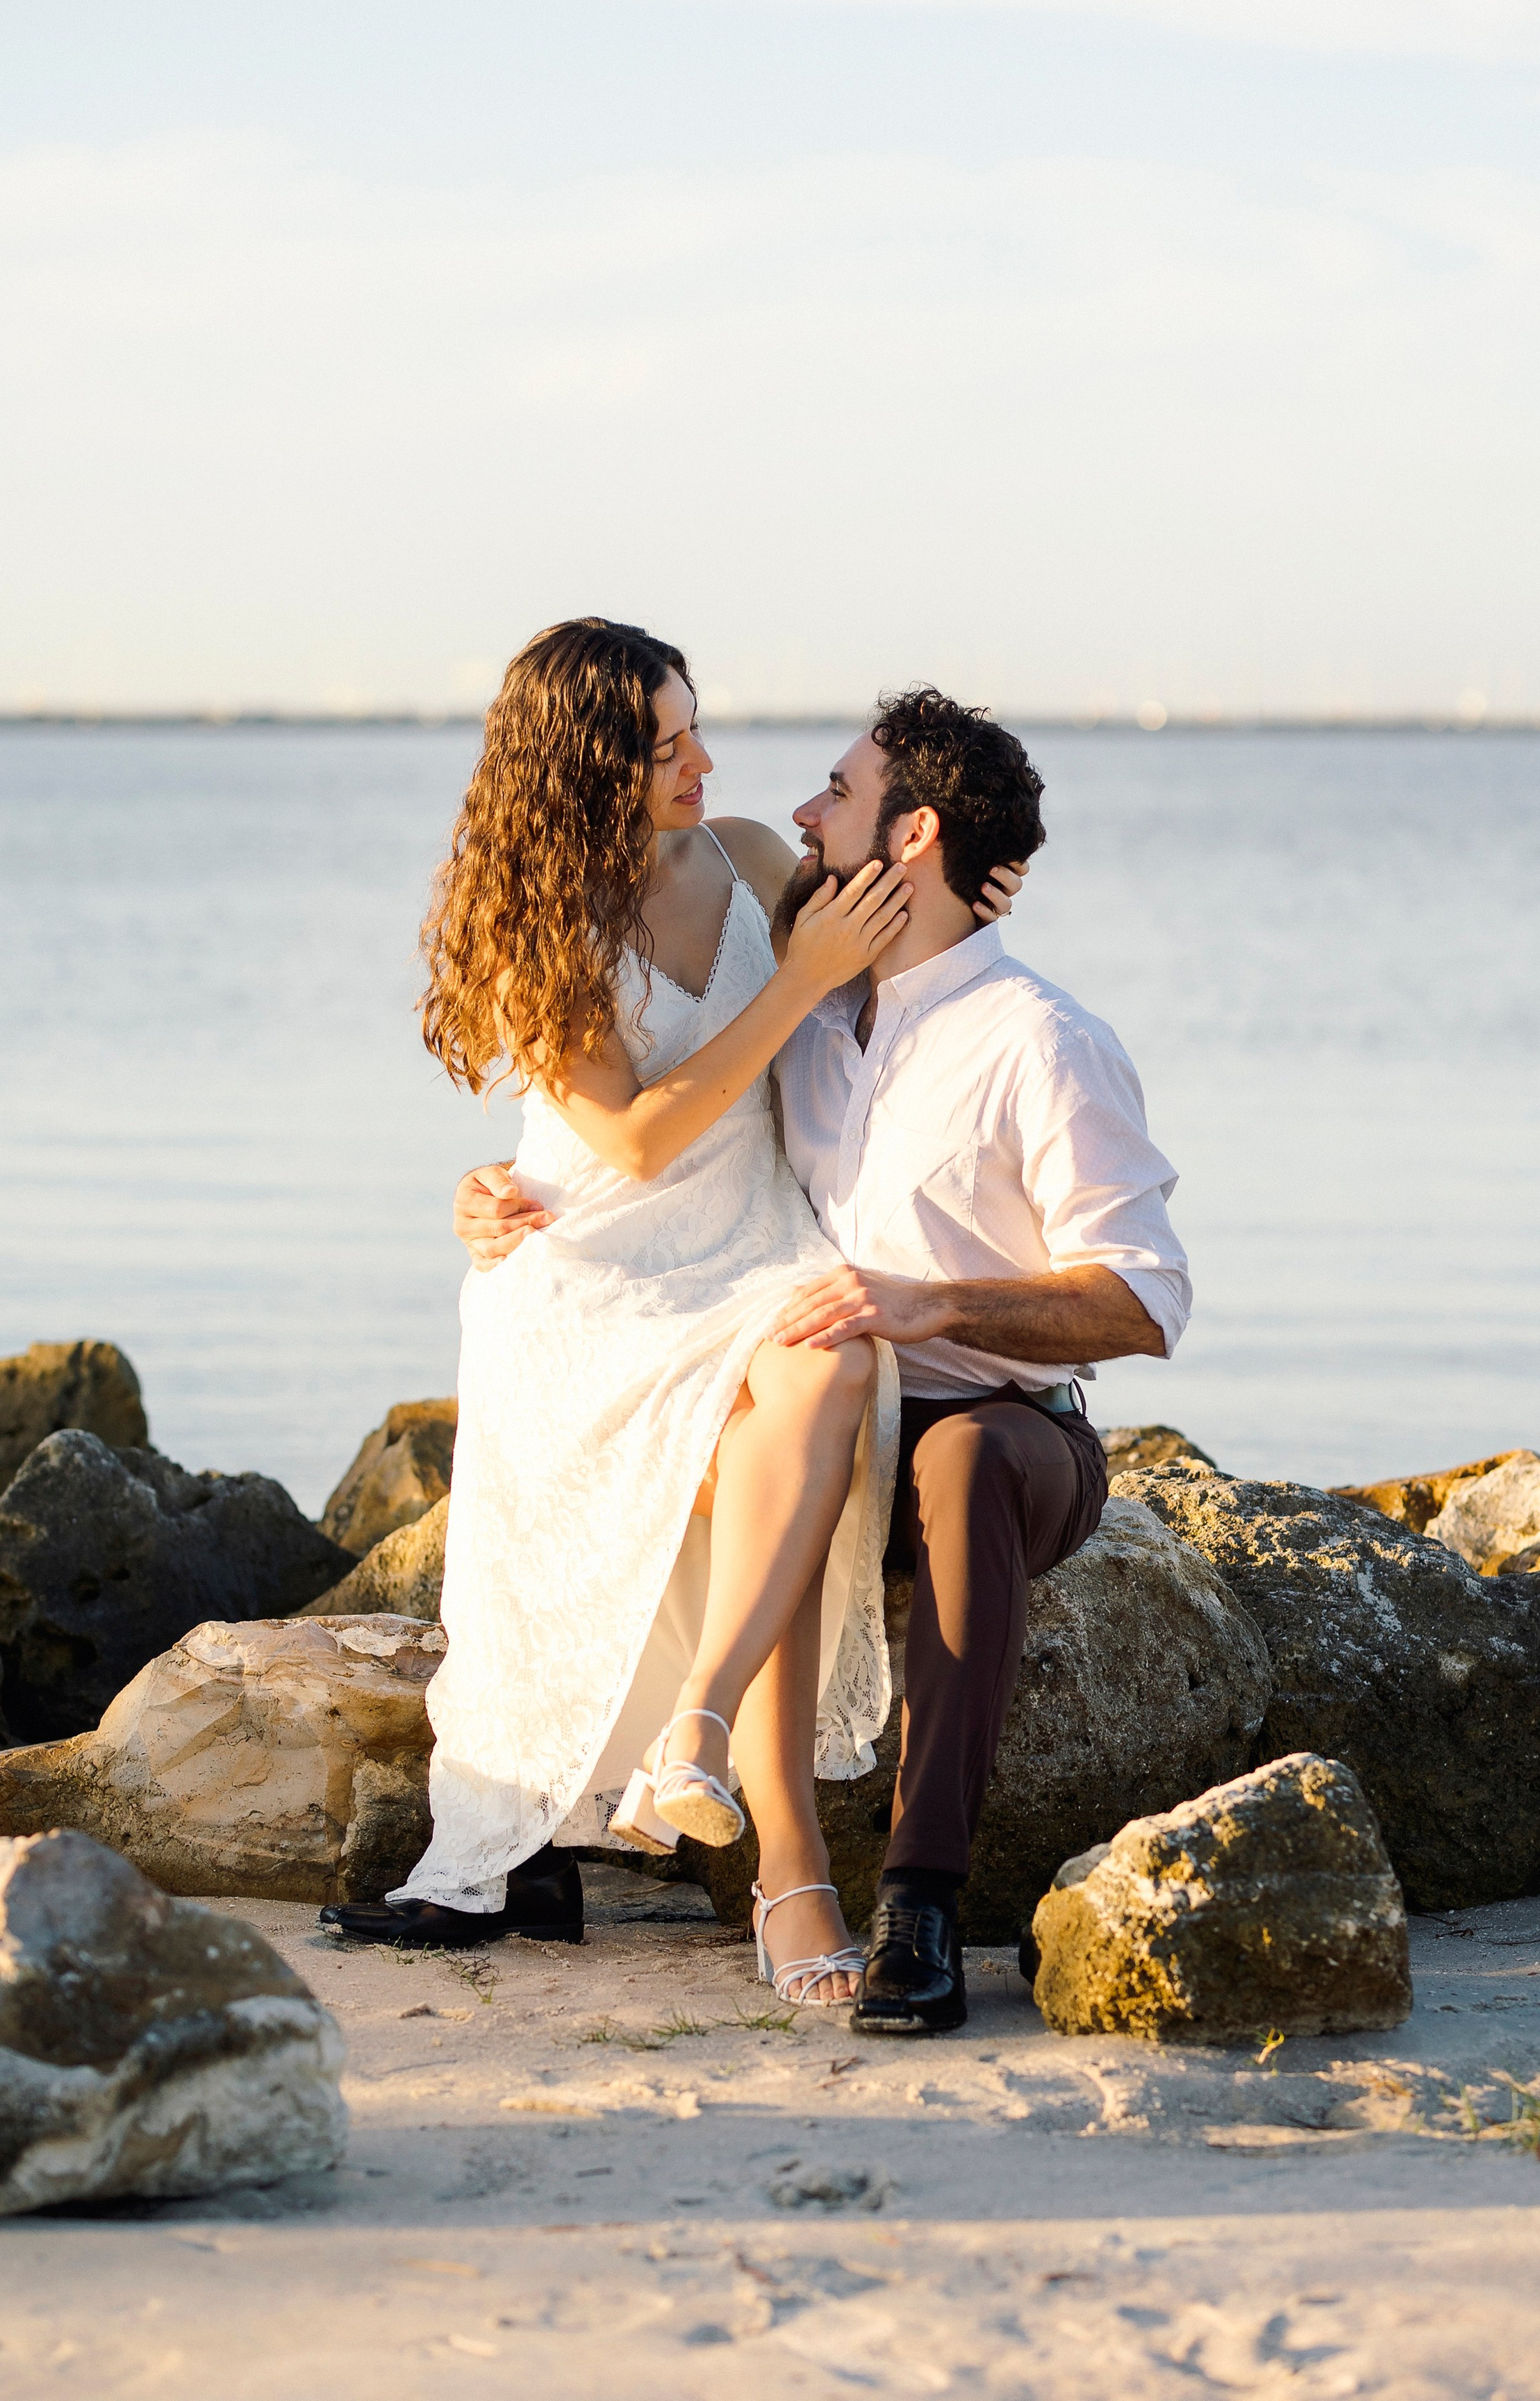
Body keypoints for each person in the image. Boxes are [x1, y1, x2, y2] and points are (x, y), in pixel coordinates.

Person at [464, 688, 1189, 2035]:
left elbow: (1144, 1303)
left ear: (907, 838)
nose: (795, 812)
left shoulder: (1039, 1041)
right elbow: (659, 1134)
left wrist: (930, 1304)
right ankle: (743, 1814)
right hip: (834, 1405)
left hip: (1000, 1416)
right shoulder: (809, 1023)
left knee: (961, 1459)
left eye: (837, 795)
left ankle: (916, 1902)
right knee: (799, 1419)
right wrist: (510, 1185)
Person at [322, 621, 1021, 2011]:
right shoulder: (532, 923)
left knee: (827, 1362)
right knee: (798, 1382)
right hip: (594, 1274)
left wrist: (982, 876)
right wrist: (802, 983)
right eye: (661, 747)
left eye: (696, 726)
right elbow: (633, 1143)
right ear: (584, 770)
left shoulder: (755, 854)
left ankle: (697, 1730)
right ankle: (755, 1853)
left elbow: (914, 929)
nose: (702, 761)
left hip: (754, 1247)